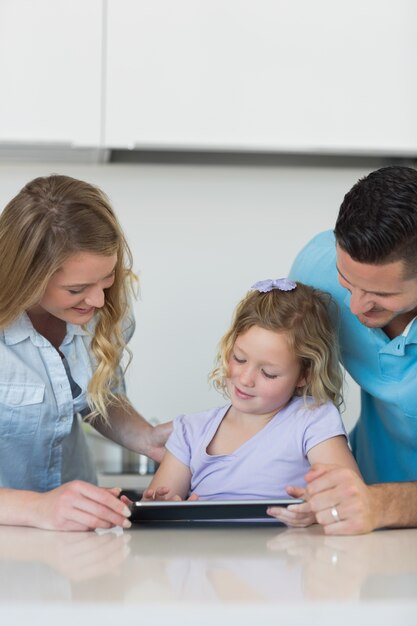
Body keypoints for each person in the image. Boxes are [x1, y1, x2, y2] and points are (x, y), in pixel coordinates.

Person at [0, 174, 171, 532]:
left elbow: (97, 397)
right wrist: (38, 508)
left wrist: (145, 437)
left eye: (106, 279)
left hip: (77, 535)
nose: (97, 300)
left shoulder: (104, 312)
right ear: (26, 277)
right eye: (77, 288)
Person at [140, 278, 360, 528]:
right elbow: (153, 513)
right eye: (239, 358)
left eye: (268, 373)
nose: (245, 379)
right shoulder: (190, 431)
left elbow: (349, 497)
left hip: (286, 560)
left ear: (304, 375)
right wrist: (164, 507)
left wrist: (319, 511)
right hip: (205, 561)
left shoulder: (312, 419)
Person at [288, 165, 417, 535]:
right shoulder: (318, 271)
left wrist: (381, 504)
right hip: (359, 512)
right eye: (348, 283)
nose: (357, 308)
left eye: (382, 296)